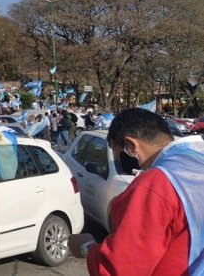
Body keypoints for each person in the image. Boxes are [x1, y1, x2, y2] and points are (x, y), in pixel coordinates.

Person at [69, 108, 204, 275]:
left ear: (131, 146)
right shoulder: (197, 160)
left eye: (118, 156)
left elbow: (123, 268)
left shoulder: (156, 184)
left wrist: (87, 247)